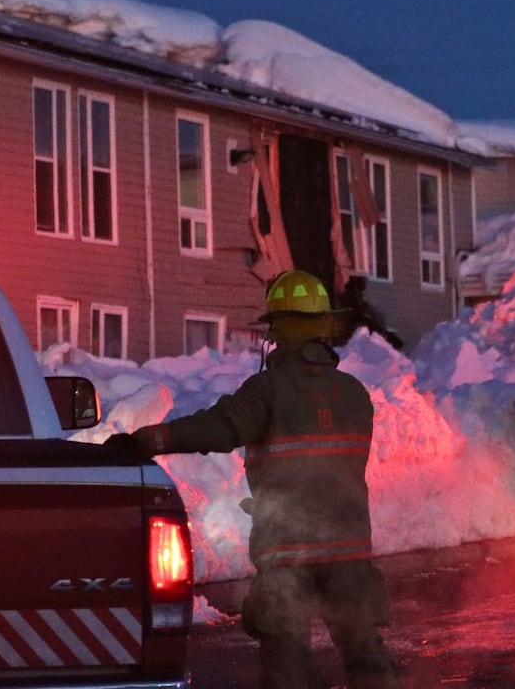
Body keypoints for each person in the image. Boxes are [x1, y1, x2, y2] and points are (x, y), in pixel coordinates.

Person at [106, 269, 401, 689]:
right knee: (367, 658)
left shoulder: (267, 390)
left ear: (278, 329)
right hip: (350, 551)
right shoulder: (355, 394)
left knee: (285, 665)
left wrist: (146, 439)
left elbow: (217, 428)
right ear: (322, 325)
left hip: (288, 554)